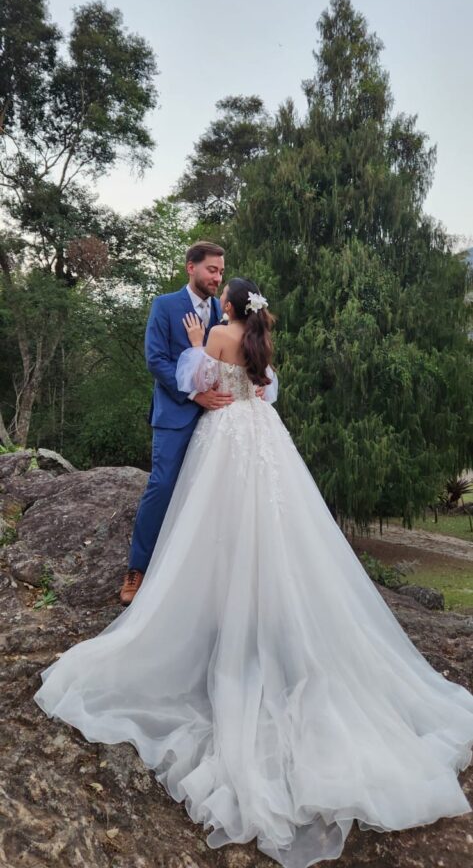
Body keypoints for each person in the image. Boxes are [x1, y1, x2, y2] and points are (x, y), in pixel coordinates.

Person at [35, 277, 473, 868]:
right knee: (273, 522)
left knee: (215, 525)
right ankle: (265, 602)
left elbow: (196, 380)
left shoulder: (217, 333)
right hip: (264, 433)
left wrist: (197, 343)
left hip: (224, 437)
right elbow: (266, 390)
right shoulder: (262, 337)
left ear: (230, 305)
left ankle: (218, 606)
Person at [119, 240, 233, 606]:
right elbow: (156, 360)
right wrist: (194, 395)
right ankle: (137, 569)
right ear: (191, 267)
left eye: (221, 272)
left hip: (219, 417)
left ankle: (200, 576)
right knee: (163, 484)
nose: (217, 278)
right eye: (212, 270)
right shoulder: (165, 305)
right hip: (175, 414)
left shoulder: (224, 311)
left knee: (213, 491)